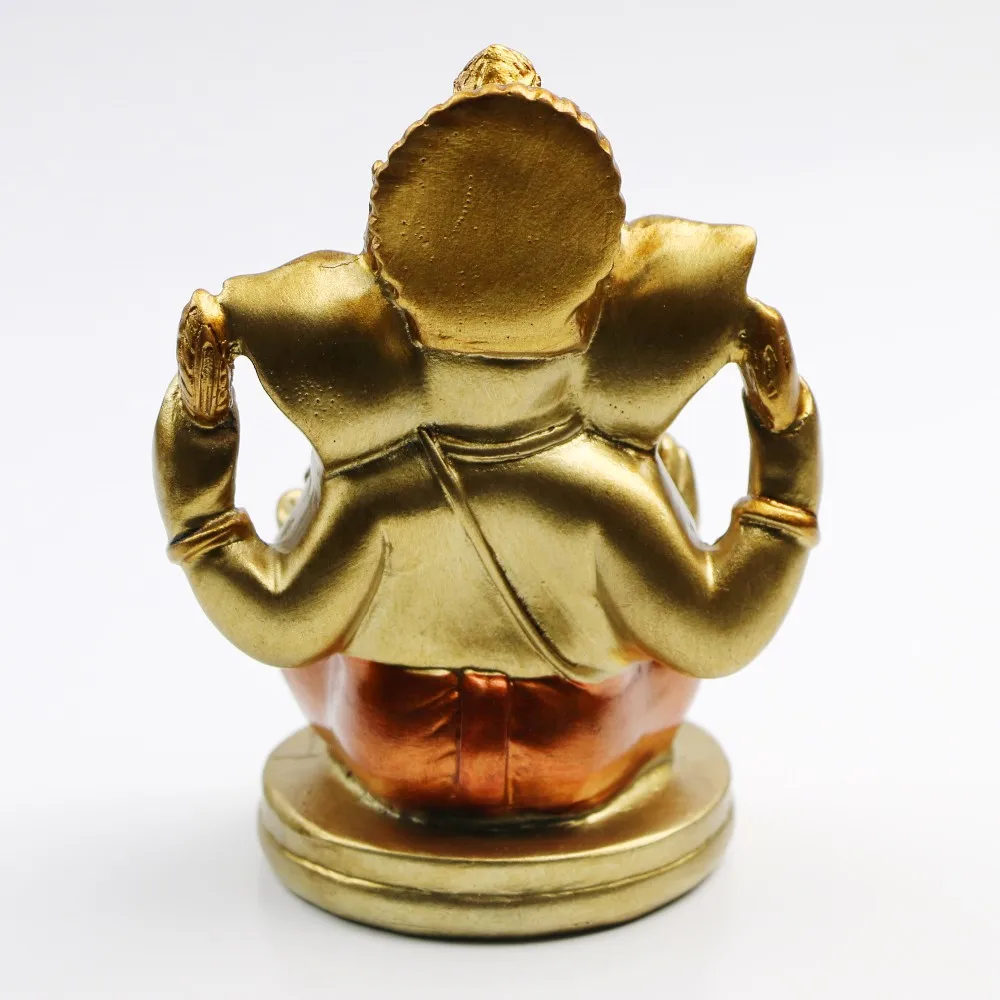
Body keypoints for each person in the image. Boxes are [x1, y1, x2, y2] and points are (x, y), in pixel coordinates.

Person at [155, 45, 821, 816]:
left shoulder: (379, 489)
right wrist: (784, 445)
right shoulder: (603, 492)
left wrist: (201, 434)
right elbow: (719, 633)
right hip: (579, 744)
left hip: (392, 741)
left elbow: (275, 620)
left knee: (303, 576)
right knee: (671, 546)